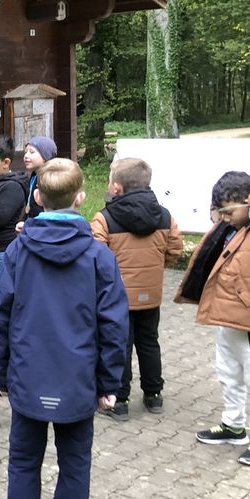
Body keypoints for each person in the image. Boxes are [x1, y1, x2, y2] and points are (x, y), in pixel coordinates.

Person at [0, 158, 127, 499]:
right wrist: (110, 383)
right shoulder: (98, 256)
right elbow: (114, 325)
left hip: (29, 377)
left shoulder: (17, 252)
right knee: (76, 462)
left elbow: (1, 316)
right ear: (81, 199)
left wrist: (2, 373)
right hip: (77, 380)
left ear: (36, 197)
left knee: (24, 460)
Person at [177, 171, 250, 467]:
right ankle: (233, 425)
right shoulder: (232, 227)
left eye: (231, 210)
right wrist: (225, 212)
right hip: (227, 316)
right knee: (229, 373)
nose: (225, 216)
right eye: (222, 210)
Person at [91, 158, 183, 420]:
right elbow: (175, 249)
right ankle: (154, 395)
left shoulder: (104, 218)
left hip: (116, 298)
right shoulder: (164, 215)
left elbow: (95, 255)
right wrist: (155, 268)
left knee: (119, 345)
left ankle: (119, 400)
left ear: (117, 187)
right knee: (149, 342)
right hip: (150, 295)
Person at [21, 136, 57, 220]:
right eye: (26, 152)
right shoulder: (34, 176)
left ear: (46, 156)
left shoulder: (50, 179)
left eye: (32, 152)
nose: (26, 156)